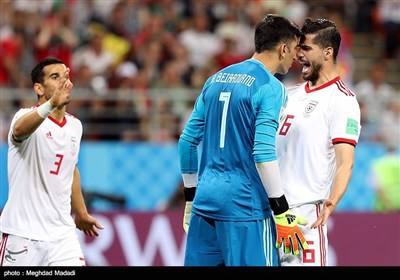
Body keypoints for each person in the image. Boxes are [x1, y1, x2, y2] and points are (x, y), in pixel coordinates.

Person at [178, 14, 308, 266]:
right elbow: (262, 153)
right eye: (293, 50)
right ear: (283, 49)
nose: (295, 58)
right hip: (244, 205)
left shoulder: (214, 79)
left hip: (205, 201)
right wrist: (281, 210)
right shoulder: (270, 87)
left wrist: (191, 197)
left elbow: (187, 142)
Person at [0, 57, 103, 266]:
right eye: (55, 77)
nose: (63, 82)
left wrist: (81, 212)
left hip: (62, 237)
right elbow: (19, 131)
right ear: (39, 88)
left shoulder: (75, 126)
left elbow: (70, 169)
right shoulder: (25, 117)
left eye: (65, 77)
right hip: (22, 235)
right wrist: (50, 105)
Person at [275, 18, 362, 266]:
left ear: (327, 52)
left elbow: (346, 162)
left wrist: (332, 201)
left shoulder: (342, 101)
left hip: (305, 217)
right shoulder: (287, 94)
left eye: (306, 48)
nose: (298, 54)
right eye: (299, 47)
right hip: (270, 214)